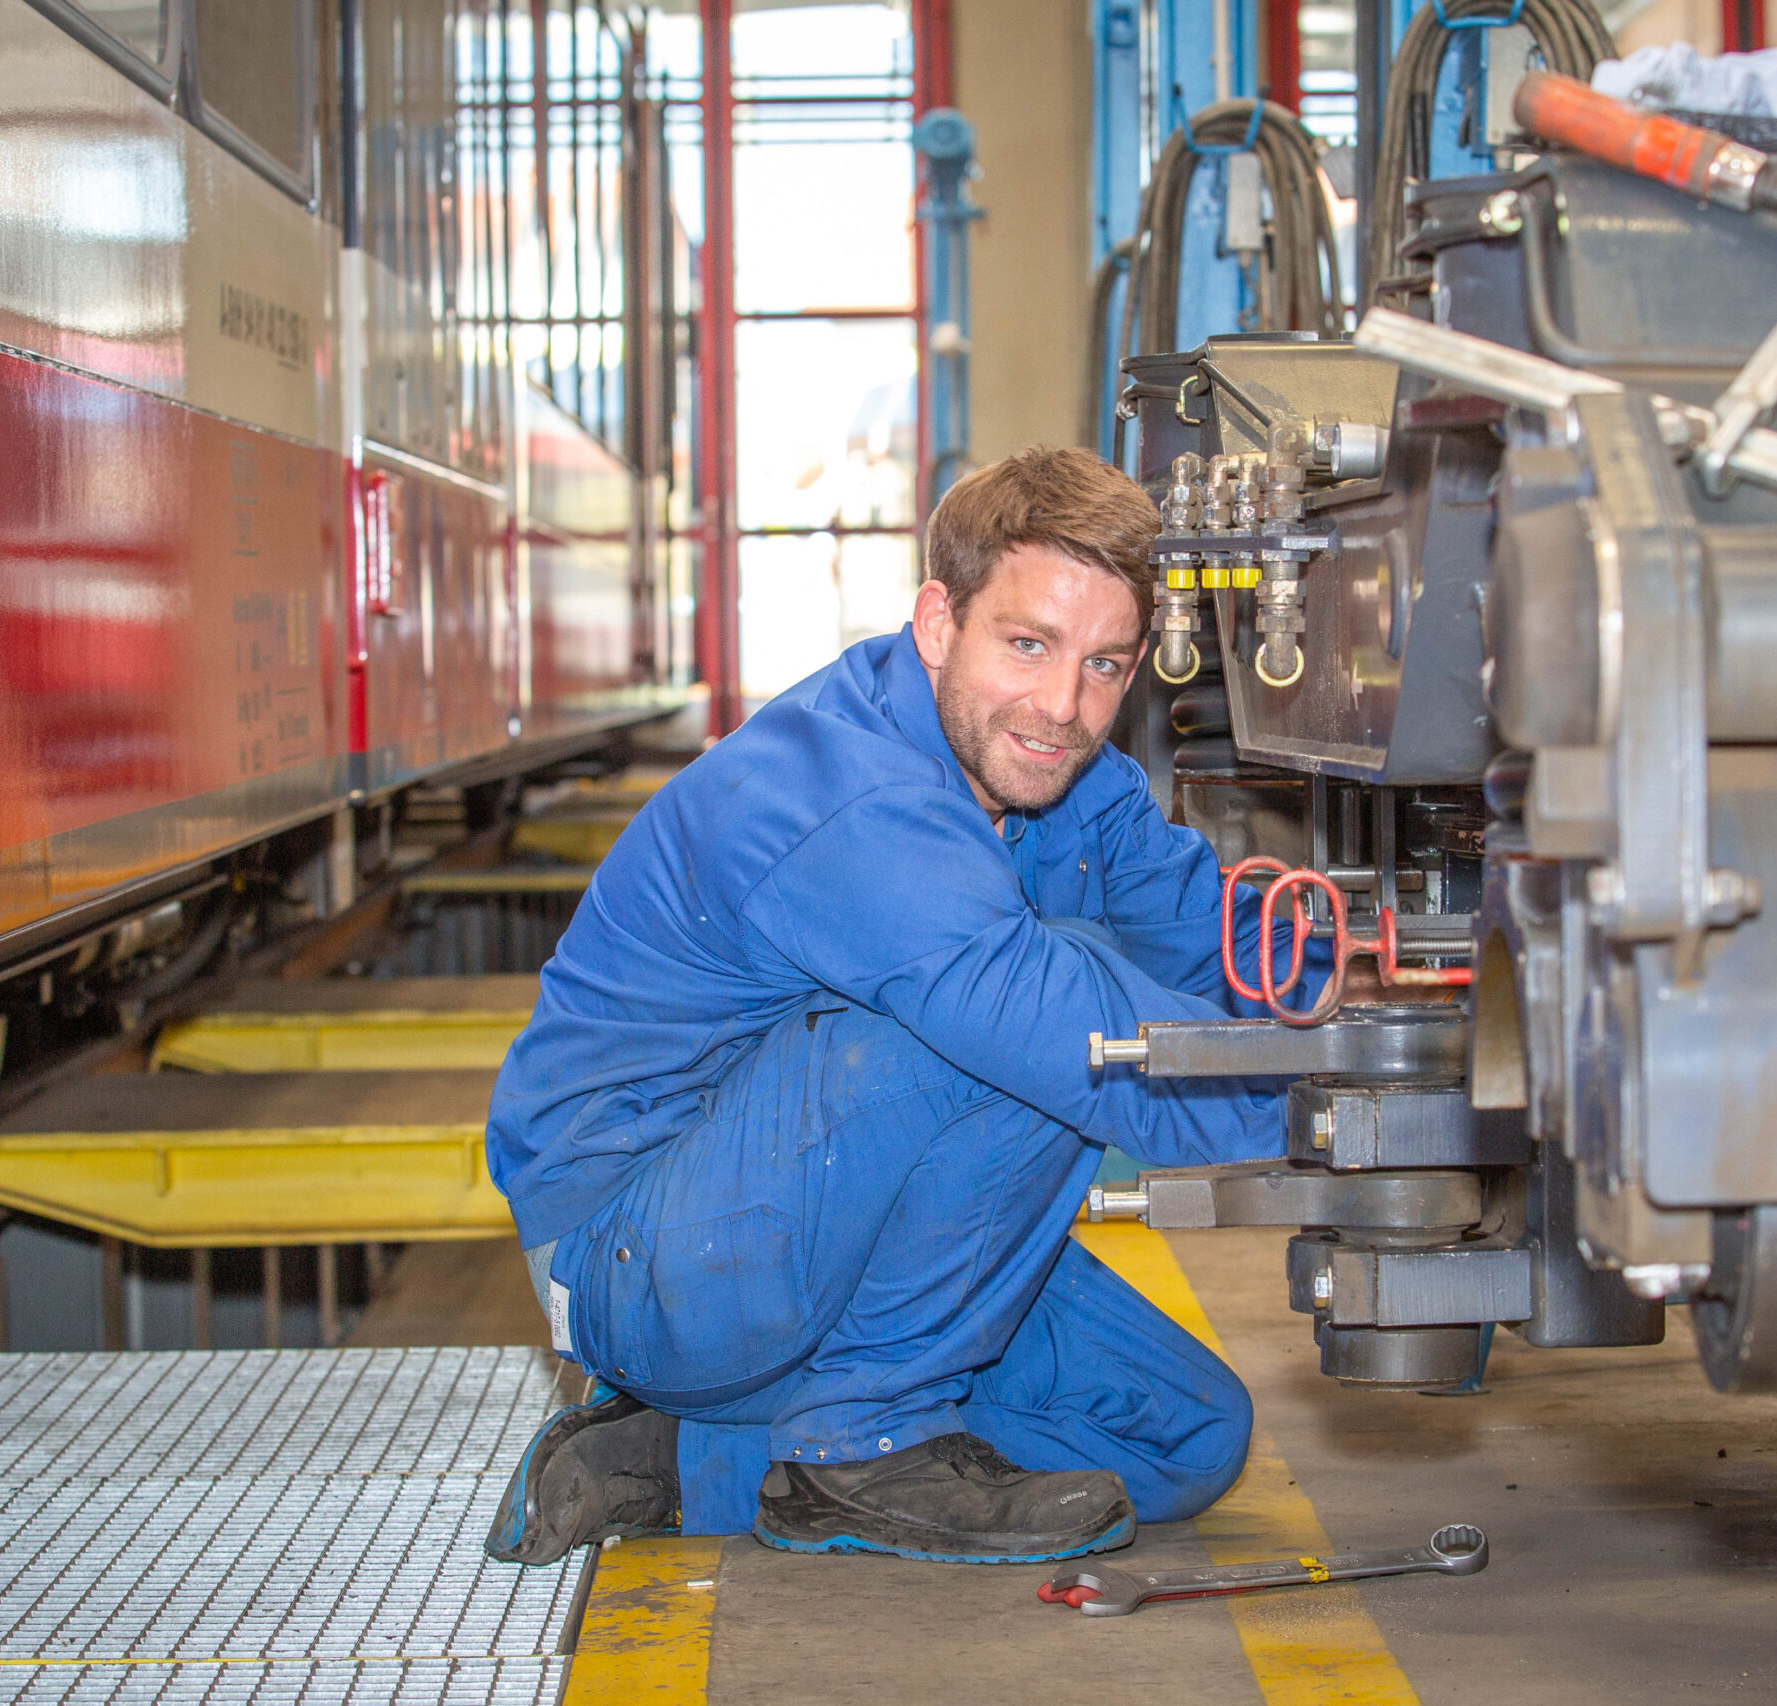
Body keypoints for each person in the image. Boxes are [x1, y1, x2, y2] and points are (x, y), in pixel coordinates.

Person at [482, 446, 1319, 1567]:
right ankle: (859, 1441)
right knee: (1043, 1013)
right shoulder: (846, 791)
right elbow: (1065, 1030)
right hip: (639, 1246)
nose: (1062, 705)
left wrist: (1397, 1020)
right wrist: (1343, 1110)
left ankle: (676, 1458)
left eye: (1105, 664)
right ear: (937, 622)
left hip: (813, 1224)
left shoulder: (1073, 776)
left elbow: (1222, 949)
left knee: (1182, 1439)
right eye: (1026, 644)